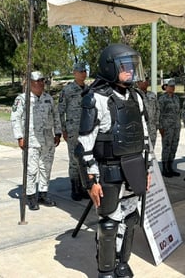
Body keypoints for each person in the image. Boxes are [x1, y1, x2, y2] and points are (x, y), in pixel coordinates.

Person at [75, 43, 151, 278]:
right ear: (110, 68)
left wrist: (146, 168)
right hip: (107, 171)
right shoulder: (95, 98)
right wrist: (91, 180)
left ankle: (122, 262)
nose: (130, 71)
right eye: (124, 66)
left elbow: (144, 135)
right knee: (109, 223)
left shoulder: (136, 97)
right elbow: (84, 145)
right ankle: (105, 270)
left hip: (133, 168)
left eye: (132, 66)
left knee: (129, 219)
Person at [10, 71, 62, 210]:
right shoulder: (22, 99)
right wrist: (20, 137)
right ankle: (31, 197)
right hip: (31, 141)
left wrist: (57, 132)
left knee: (46, 168)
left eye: (41, 81)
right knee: (31, 170)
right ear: (30, 83)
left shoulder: (48, 98)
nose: (39, 84)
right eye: (36, 81)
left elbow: (56, 116)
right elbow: (15, 119)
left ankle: (43, 194)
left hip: (48, 140)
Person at [58, 62, 89, 201]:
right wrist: (63, 129)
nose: (83, 73)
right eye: (80, 71)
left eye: (85, 71)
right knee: (74, 159)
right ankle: (75, 188)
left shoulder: (88, 90)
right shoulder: (68, 90)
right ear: (74, 73)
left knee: (86, 158)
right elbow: (60, 111)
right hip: (73, 130)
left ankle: (84, 187)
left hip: (87, 130)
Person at [158, 78, 181, 177]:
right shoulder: (162, 99)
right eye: (171, 86)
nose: (173, 88)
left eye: (173, 86)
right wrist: (161, 127)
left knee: (173, 147)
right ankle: (164, 169)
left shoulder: (176, 98)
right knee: (166, 147)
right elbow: (159, 114)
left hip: (176, 126)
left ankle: (170, 167)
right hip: (167, 127)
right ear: (165, 87)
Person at [136, 76, 160, 148]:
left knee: (152, 146)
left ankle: (150, 159)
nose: (146, 82)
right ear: (138, 83)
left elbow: (157, 109)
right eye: (144, 81)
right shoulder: (135, 94)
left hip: (152, 126)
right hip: (141, 127)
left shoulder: (152, 95)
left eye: (147, 80)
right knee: (142, 147)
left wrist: (157, 122)